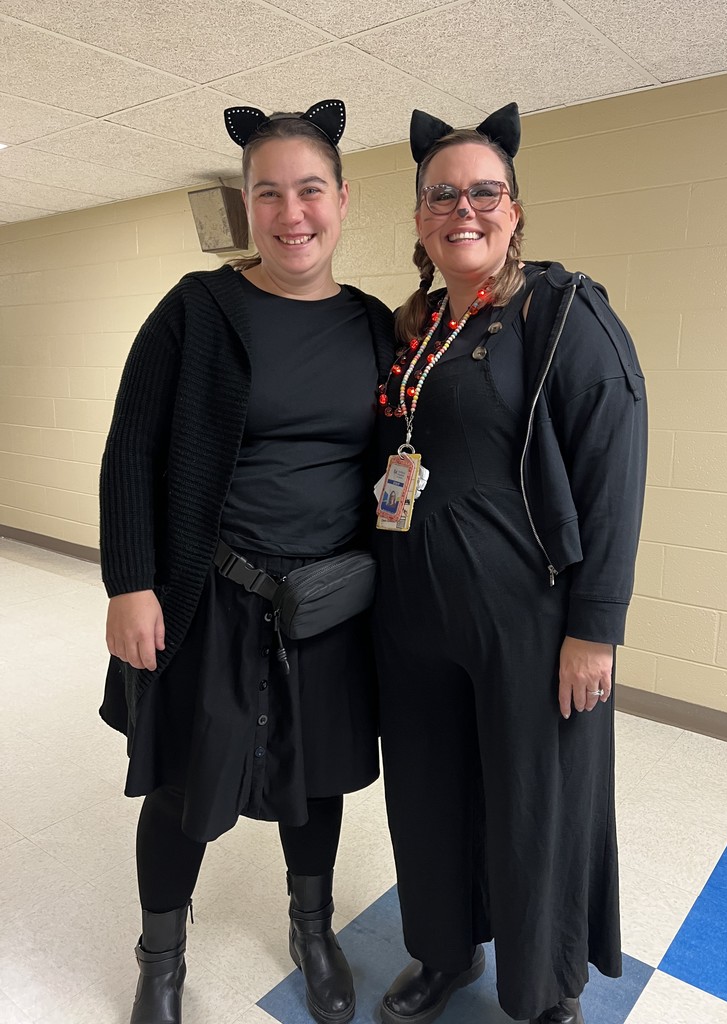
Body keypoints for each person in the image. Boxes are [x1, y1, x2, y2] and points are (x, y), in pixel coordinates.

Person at [99, 99, 393, 1024]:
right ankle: (161, 957)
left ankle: (314, 931)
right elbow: (131, 447)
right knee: (185, 780)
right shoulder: (198, 310)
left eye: (310, 190)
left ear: (343, 200)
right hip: (209, 596)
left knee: (317, 779)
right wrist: (131, 582)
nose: (291, 213)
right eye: (270, 193)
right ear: (248, 204)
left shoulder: (375, 325)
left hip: (329, 604)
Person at [373, 103, 647, 1024]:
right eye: (442, 194)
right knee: (428, 800)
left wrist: (594, 629)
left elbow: (615, 470)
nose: (465, 208)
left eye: (485, 191)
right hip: (412, 620)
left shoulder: (562, 313)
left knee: (535, 810)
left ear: (516, 208)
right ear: (418, 218)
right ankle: (445, 954)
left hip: (529, 626)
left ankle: (544, 987)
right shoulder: (416, 328)